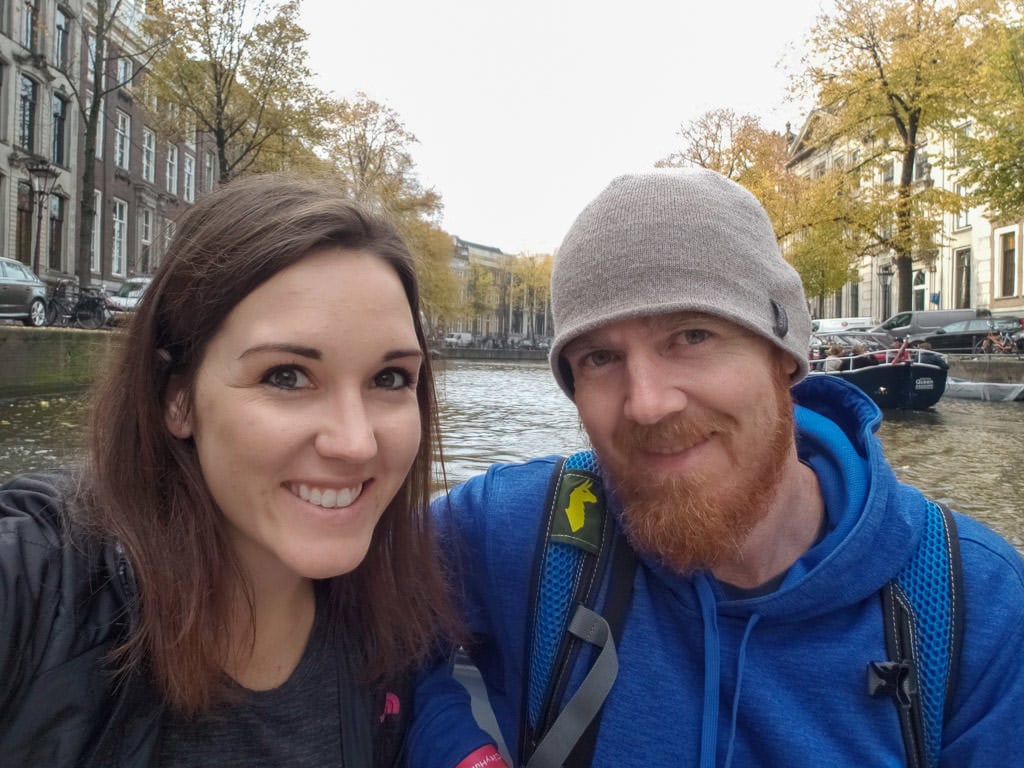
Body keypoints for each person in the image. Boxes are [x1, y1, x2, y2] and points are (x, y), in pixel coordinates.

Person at [408, 169, 1024, 767]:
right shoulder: (522, 530)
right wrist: (460, 749)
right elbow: (348, 605)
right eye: (599, 357)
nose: (647, 402)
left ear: (785, 355)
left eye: (692, 335)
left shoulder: (978, 607)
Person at [0, 175, 458, 767]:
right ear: (178, 397)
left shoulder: (398, 624)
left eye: (389, 378)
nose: (354, 442)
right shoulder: (40, 579)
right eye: (286, 376)